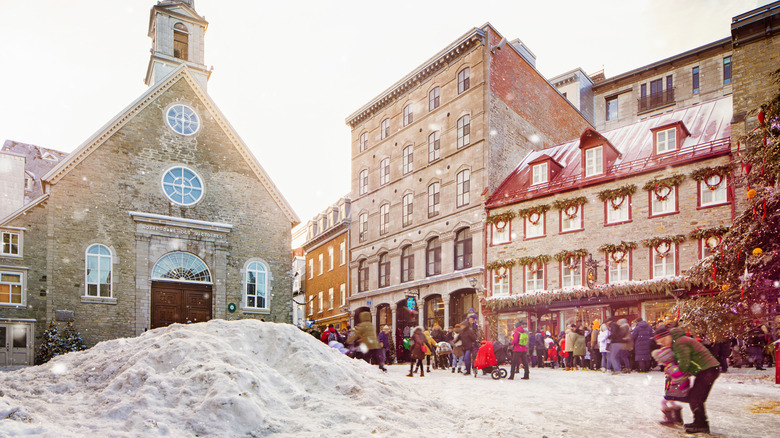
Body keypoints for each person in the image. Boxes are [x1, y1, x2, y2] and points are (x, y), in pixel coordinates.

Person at [654, 325, 720, 434]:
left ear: (668, 335)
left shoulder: (679, 343)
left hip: (708, 370)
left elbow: (684, 362)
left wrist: (677, 373)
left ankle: (701, 424)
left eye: (664, 340)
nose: (663, 344)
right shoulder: (678, 341)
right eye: (660, 343)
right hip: (708, 370)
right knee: (696, 397)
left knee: (695, 398)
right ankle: (699, 422)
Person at [651, 344, 691, 427]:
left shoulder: (671, 367)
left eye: (659, 360)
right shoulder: (672, 366)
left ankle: (670, 419)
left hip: (677, 390)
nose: (658, 362)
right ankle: (678, 419)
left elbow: (679, 378)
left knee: (663, 401)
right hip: (677, 389)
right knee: (671, 401)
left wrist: (674, 385)